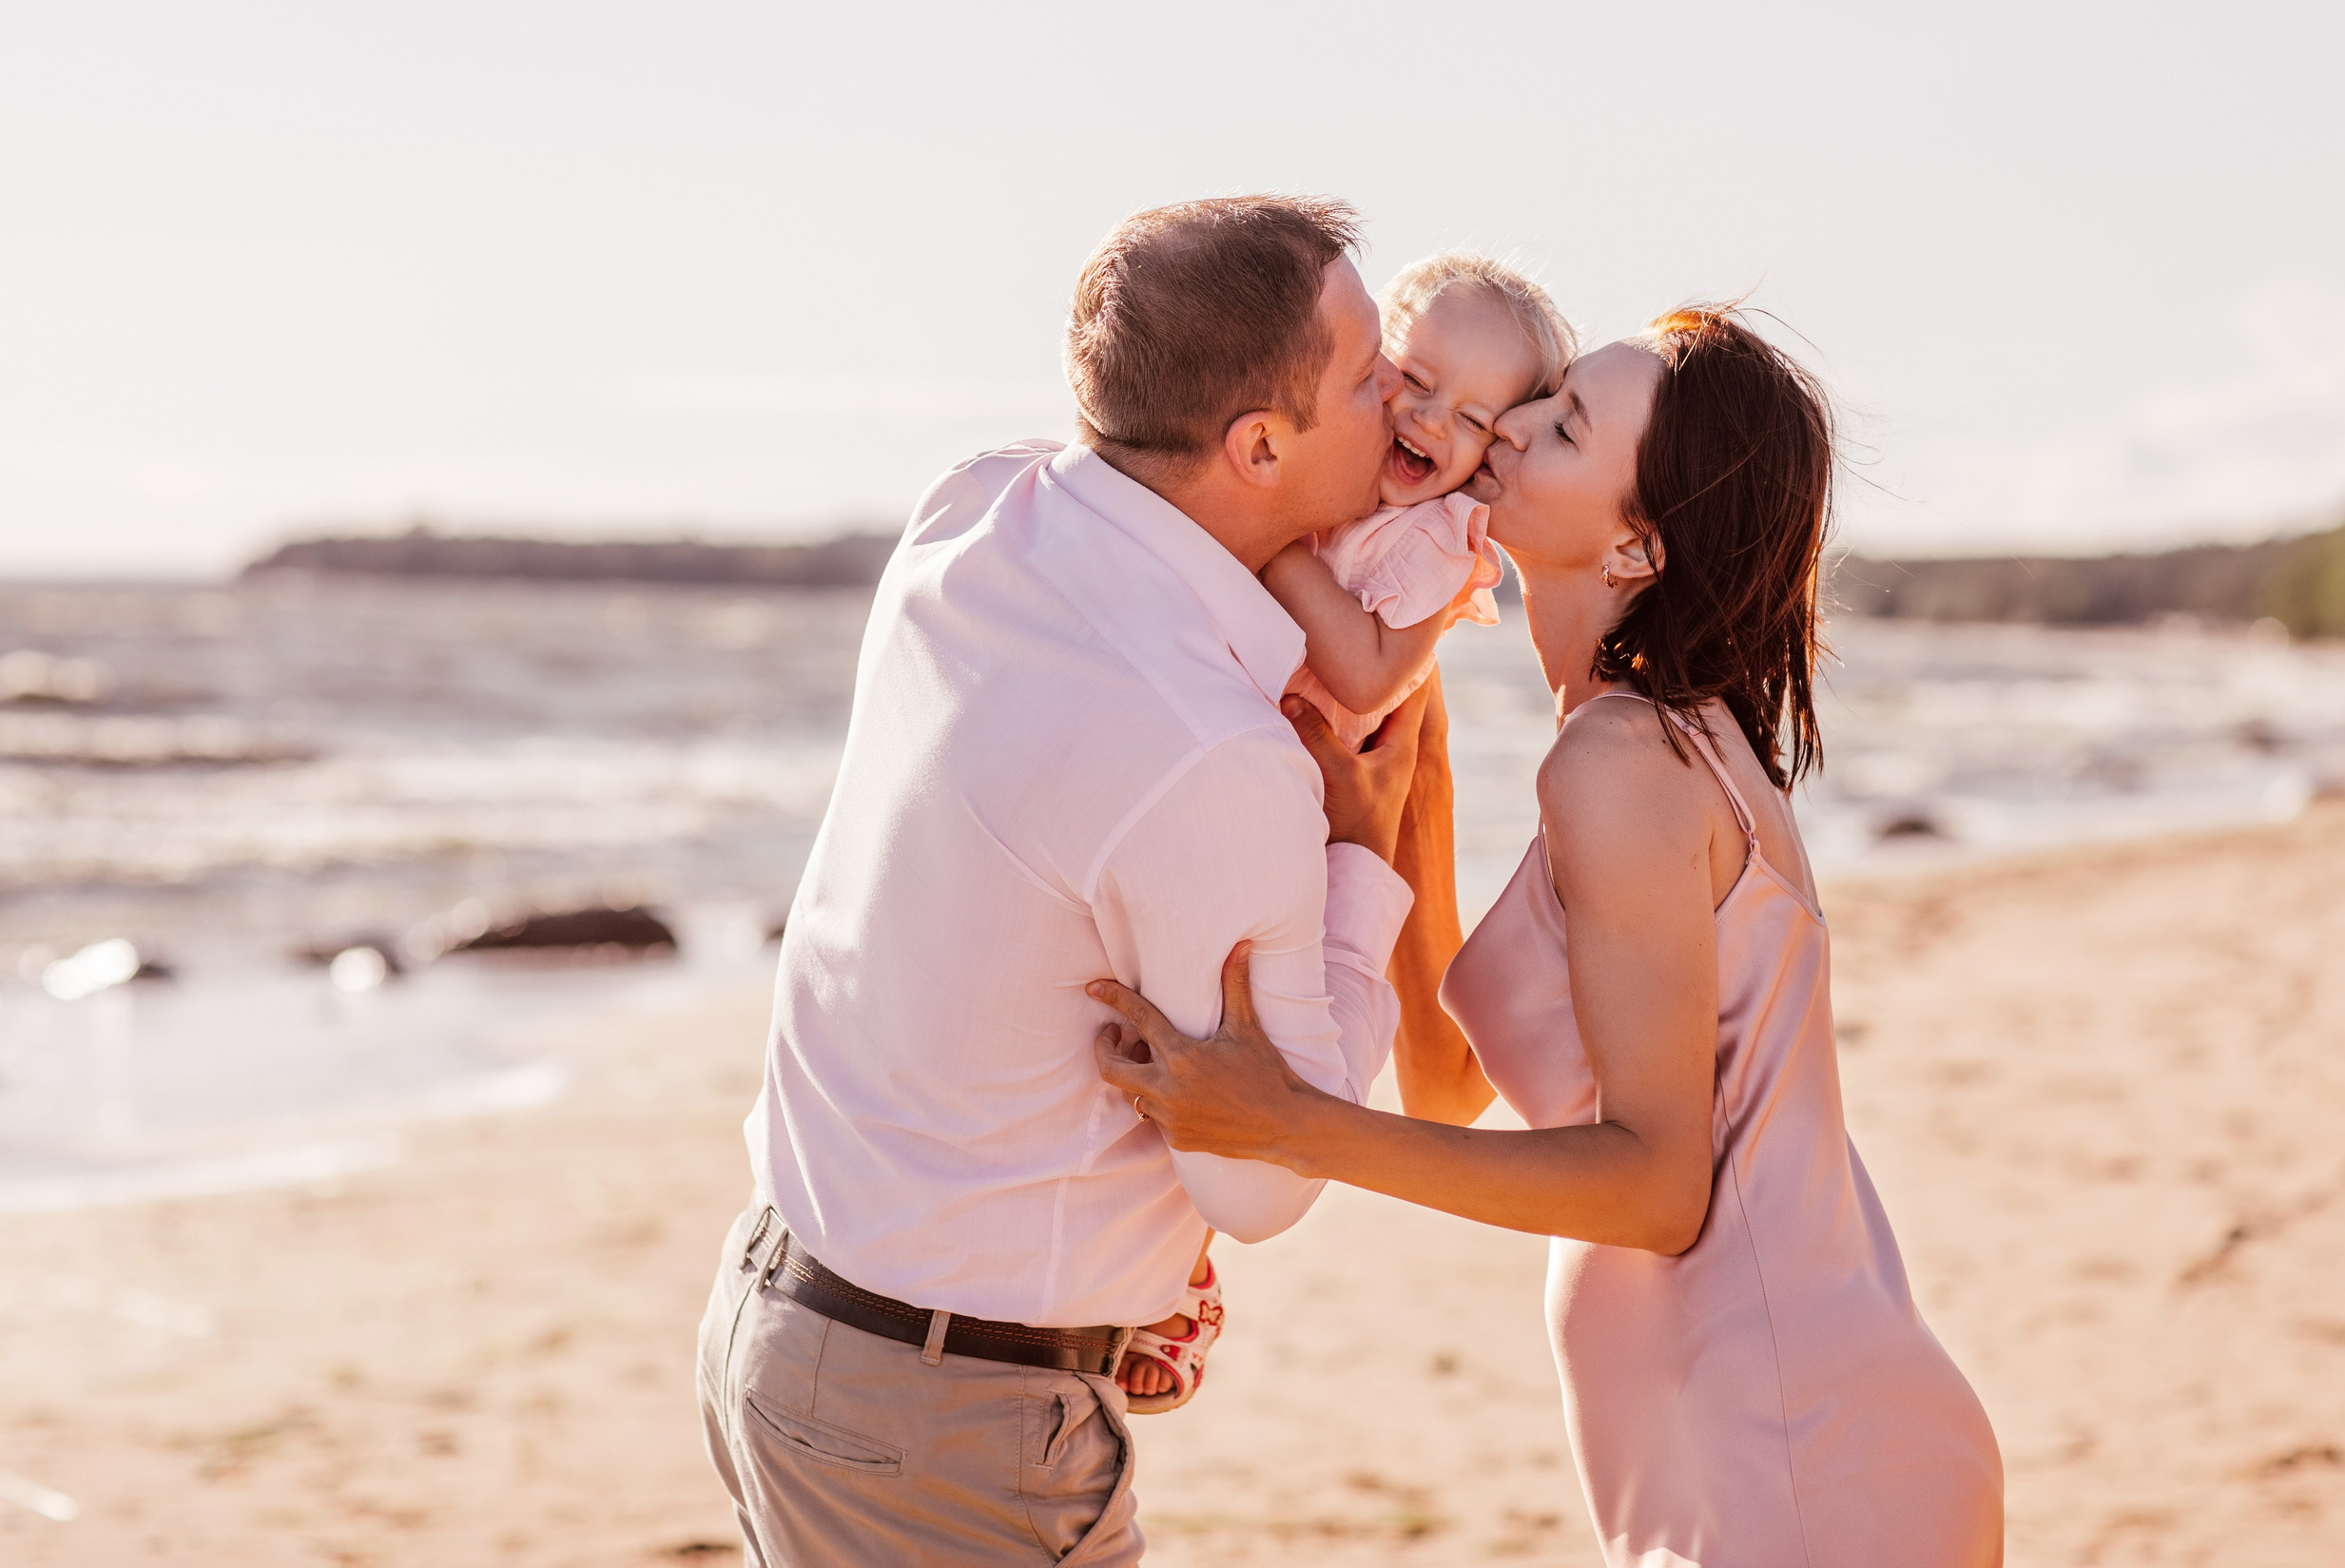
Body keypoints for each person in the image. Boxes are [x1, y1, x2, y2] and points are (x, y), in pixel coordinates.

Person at [1092, 308, 2007, 1567]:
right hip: (1768, 1436)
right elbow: (1452, 1083)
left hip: (1790, 1461)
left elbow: (1653, 1182)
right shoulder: (1653, 739)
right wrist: (1389, 820)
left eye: (1565, 424)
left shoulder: (1623, 761)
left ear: (1636, 536)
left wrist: (1290, 1129)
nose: (1511, 426)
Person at [692, 194, 1430, 1568]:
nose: (1400, 396)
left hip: (779, 1320)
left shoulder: (974, 511)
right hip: (941, 1422)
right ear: (1258, 443)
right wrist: (1365, 854)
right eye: (1369, 373)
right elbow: (1265, 1180)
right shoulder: (1207, 755)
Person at [1261, 252, 1575, 750]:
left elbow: (1368, 679)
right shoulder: (1317, 457)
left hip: (1300, 763)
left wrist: (1272, 541)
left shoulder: (1438, 535)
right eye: (1416, 382)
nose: (1431, 420)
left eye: (1473, 420)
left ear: (1492, 452)